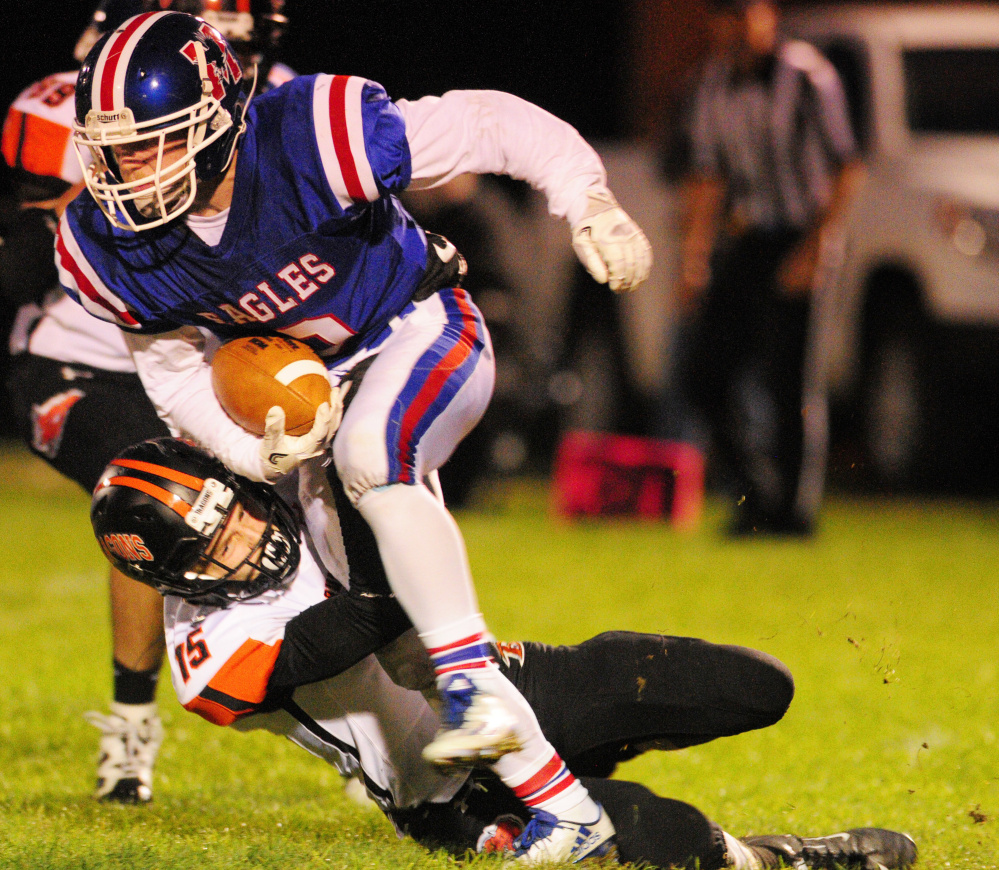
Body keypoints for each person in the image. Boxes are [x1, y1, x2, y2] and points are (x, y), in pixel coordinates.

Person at [57, 10, 653, 861]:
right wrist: (248, 454)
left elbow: (490, 121)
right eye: (114, 150)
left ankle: (472, 687)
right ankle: (563, 806)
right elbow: (176, 377)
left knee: (373, 456)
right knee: (401, 643)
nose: (130, 174)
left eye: (156, 142)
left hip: (417, 326)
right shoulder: (104, 244)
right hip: (319, 391)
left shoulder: (313, 134)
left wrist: (583, 195)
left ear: (221, 122)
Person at [88, 436, 918, 870]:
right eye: (218, 544)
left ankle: (604, 743)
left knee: (750, 685)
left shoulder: (270, 487)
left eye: (235, 510)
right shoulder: (207, 647)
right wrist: (356, 456)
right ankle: (785, 859)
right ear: (171, 575)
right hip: (445, 782)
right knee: (658, 838)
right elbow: (368, 615)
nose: (249, 534)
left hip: (501, 682)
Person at [0, 0, 294, 804]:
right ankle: (132, 733)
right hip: (82, 363)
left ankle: (367, 705)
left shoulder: (286, 107)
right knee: (151, 486)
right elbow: (23, 255)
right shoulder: (91, 100)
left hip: (207, 362)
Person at [675, 0, 865, 537]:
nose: (734, 28)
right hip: (750, 238)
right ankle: (756, 495)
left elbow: (847, 167)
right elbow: (708, 177)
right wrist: (694, 260)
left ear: (768, 17)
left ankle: (792, 513)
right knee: (704, 377)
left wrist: (815, 248)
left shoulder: (806, 75)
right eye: (724, 16)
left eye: (744, 14)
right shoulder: (711, 84)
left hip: (803, 235)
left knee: (790, 382)